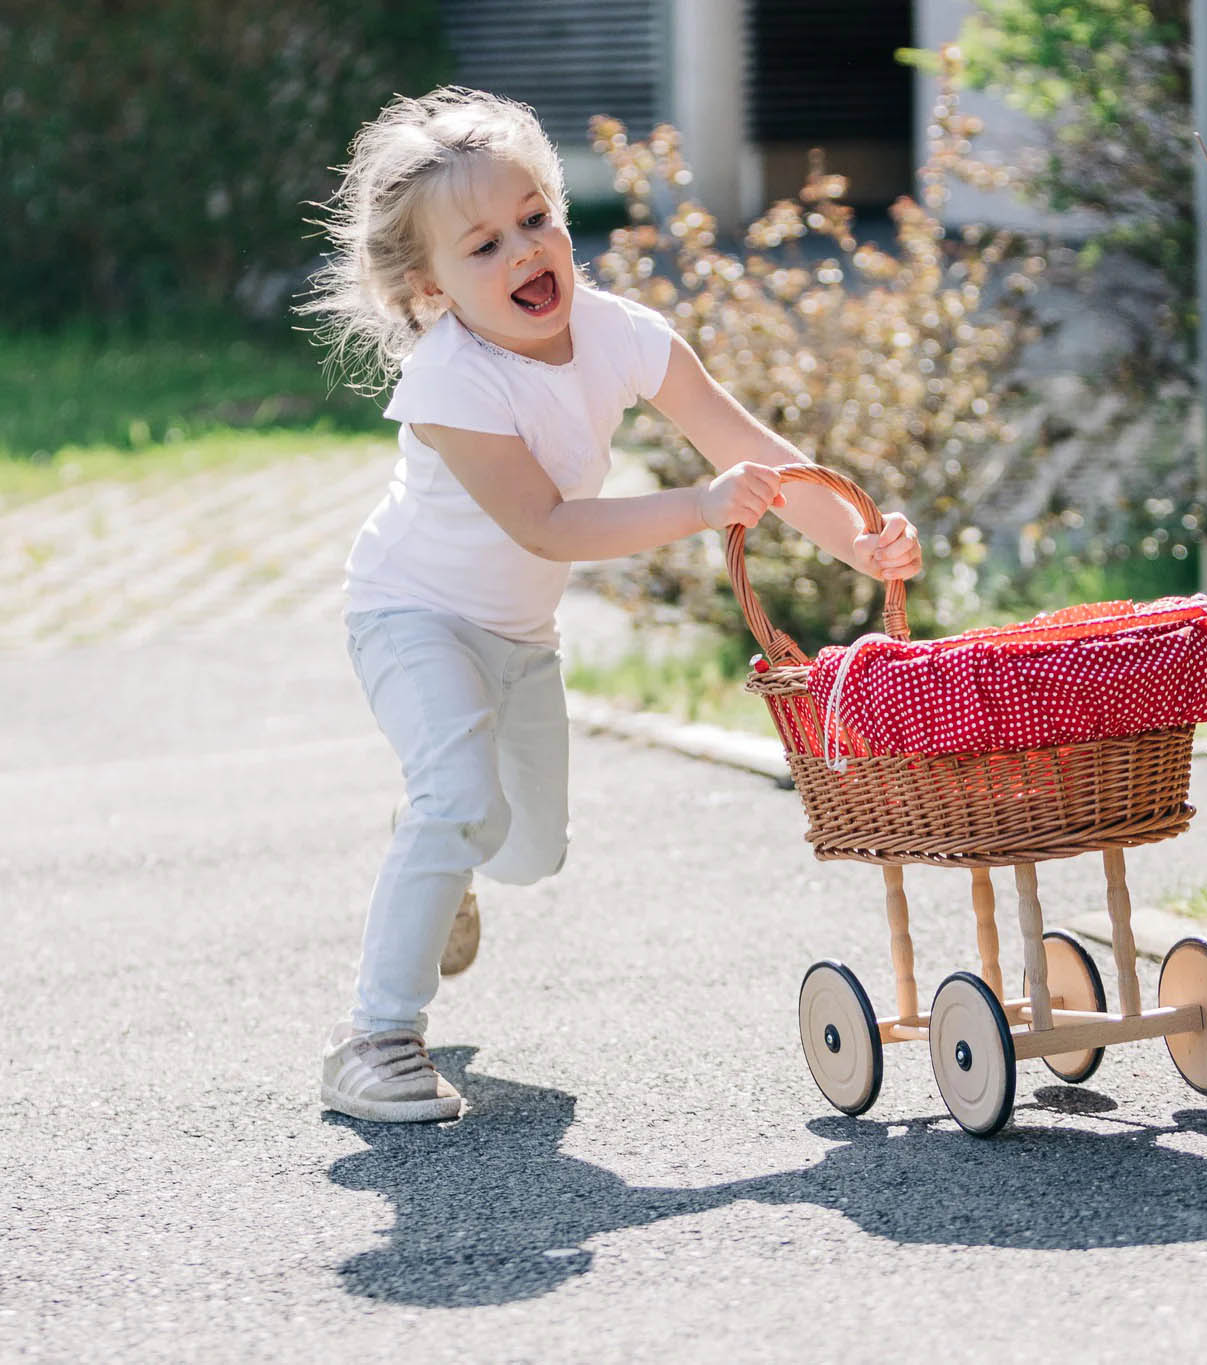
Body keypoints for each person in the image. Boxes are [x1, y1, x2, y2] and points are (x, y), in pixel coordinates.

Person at [300, 87, 921, 1122]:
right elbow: (545, 525)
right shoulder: (454, 379)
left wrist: (856, 542)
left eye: (537, 219)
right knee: (462, 798)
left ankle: (437, 845)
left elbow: (753, 454)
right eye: (485, 245)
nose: (524, 254)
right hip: (409, 614)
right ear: (432, 289)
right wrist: (698, 507)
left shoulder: (624, 336)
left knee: (528, 851)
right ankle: (373, 1040)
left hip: (519, 635)